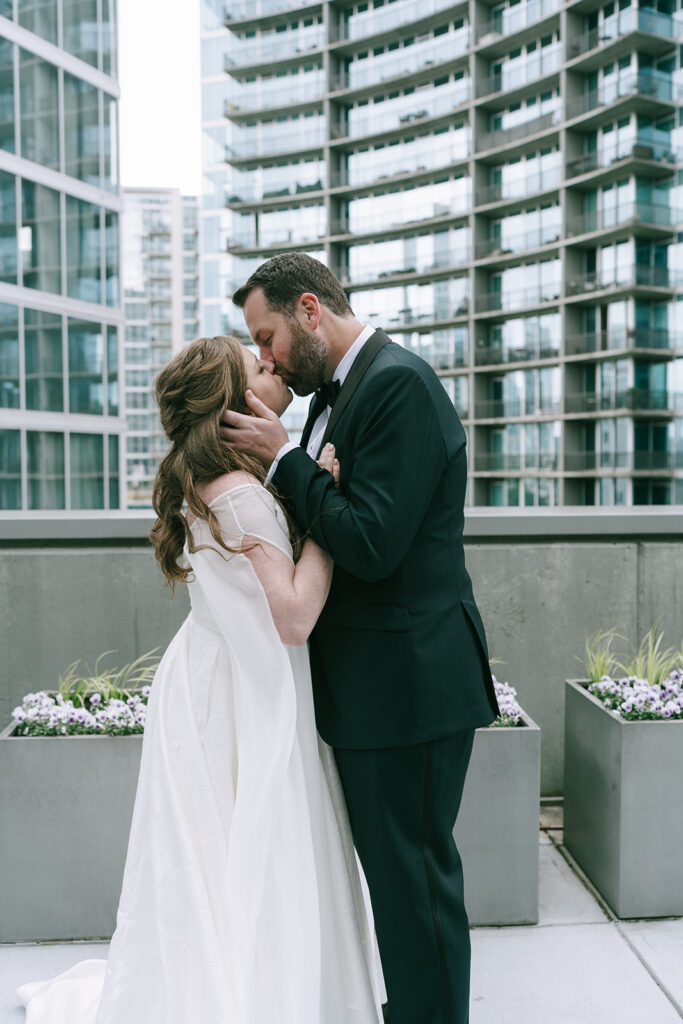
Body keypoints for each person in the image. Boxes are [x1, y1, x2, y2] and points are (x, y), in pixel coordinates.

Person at [17, 335, 384, 1024]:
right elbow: (296, 616)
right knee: (250, 849)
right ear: (232, 404)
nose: (273, 369)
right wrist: (327, 517)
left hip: (218, 679)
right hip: (243, 696)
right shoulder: (240, 495)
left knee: (216, 856)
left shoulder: (221, 481)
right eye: (259, 368)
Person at [221, 253, 500, 1024]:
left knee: (415, 890)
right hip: (378, 693)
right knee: (396, 888)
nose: (267, 357)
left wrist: (281, 459)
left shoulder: (398, 385)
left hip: (408, 690)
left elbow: (371, 543)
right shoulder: (341, 394)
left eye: (268, 336)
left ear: (310, 310)